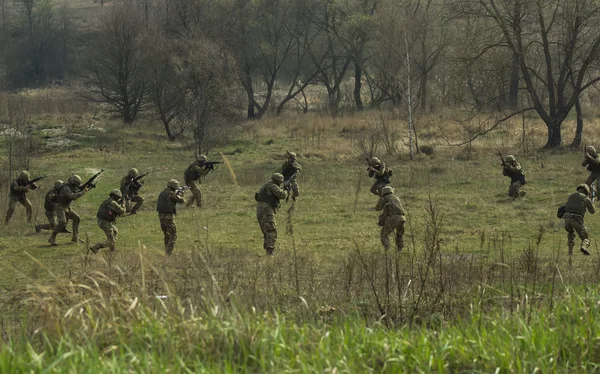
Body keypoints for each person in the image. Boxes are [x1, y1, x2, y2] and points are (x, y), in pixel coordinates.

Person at [48, 175, 88, 246]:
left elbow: (76, 191)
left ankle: (75, 237)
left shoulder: (70, 187)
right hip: (60, 206)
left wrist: (82, 190)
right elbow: (72, 196)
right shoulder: (65, 188)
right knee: (62, 222)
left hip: (66, 206)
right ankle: (52, 238)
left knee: (77, 218)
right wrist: (82, 192)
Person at [255, 173, 288, 255]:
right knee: (271, 230)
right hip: (267, 210)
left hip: (262, 209)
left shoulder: (266, 185)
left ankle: (268, 250)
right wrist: (286, 190)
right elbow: (282, 195)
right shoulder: (272, 186)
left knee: (267, 230)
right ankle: (269, 252)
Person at [563, 184, 595, 256]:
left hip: (566, 219)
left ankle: (570, 252)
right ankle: (584, 247)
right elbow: (592, 211)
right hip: (576, 220)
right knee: (586, 237)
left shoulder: (571, 196)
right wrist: (590, 201)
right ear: (586, 191)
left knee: (570, 234)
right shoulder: (586, 198)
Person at [90, 189, 126, 254]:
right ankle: (96, 247)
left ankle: (112, 249)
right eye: (118, 197)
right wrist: (123, 204)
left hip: (102, 221)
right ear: (115, 196)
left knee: (115, 231)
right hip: (105, 222)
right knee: (111, 241)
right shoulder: (113, 203)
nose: (118, 199)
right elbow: (122, 211)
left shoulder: (107, 201)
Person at [157, 179, 185, 255]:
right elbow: (181, 201)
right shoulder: (171, 193)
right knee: (173, 234)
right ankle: (168, 252)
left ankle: (167, 251)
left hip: (161, 216)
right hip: (168, 217)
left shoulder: (162, 193)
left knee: (167, 234)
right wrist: (181, 194)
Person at [375, 186, 407, 252]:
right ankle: (400, 249)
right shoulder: (396, 198)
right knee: (399, 234)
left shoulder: (385, 198)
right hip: (402, 218)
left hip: (393, 218)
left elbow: (377, 208)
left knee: (384, 234)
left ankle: (387, 248)